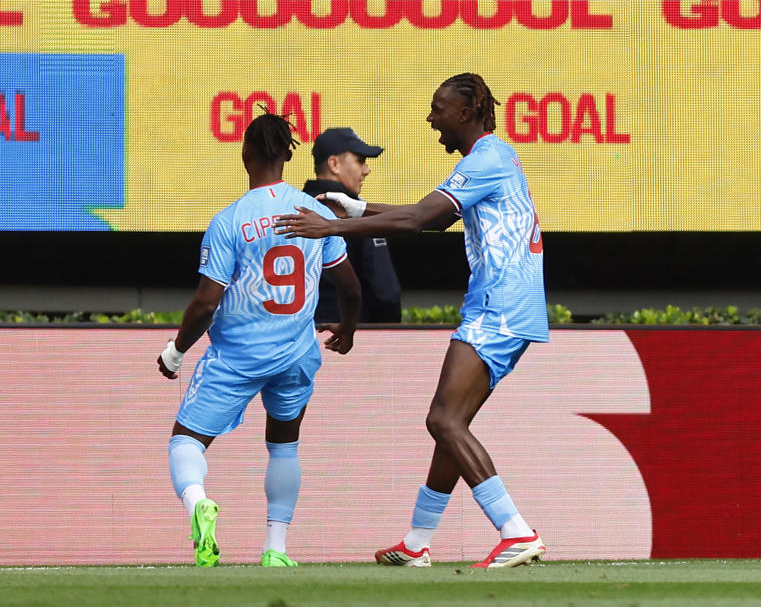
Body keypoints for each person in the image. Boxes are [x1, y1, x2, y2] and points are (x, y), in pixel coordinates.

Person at [274, 72, 549, 569]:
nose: (431, 117)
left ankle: (516, 530)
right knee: (452, 424)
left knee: (443, 420)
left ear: (464, 113)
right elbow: (436, 216)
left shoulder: (485, 159)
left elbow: (420, 219)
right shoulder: (494, 156)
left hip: (499, 307)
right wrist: (356, 207)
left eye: (438, 108)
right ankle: (418, 542)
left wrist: (333, 225)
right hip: (511, 305)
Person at [161, 111, 360, 568]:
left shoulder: (230, 220)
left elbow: (206, 303)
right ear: (289, 156)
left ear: (245, 154)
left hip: (236, 355)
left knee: (186, 442)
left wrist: (175, 352)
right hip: (295, 351)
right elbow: (349, 286)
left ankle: (199, 507)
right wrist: (347, 327)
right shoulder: (315, 213)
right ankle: (276, 550)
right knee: (284, 444)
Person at [305, 126, 402, 324]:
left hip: (296, 342)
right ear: (334, 164)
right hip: (350, 341)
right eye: (360, 161)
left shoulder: (293, 210)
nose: (367, 170)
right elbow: (384, 293)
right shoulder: (359, 215)